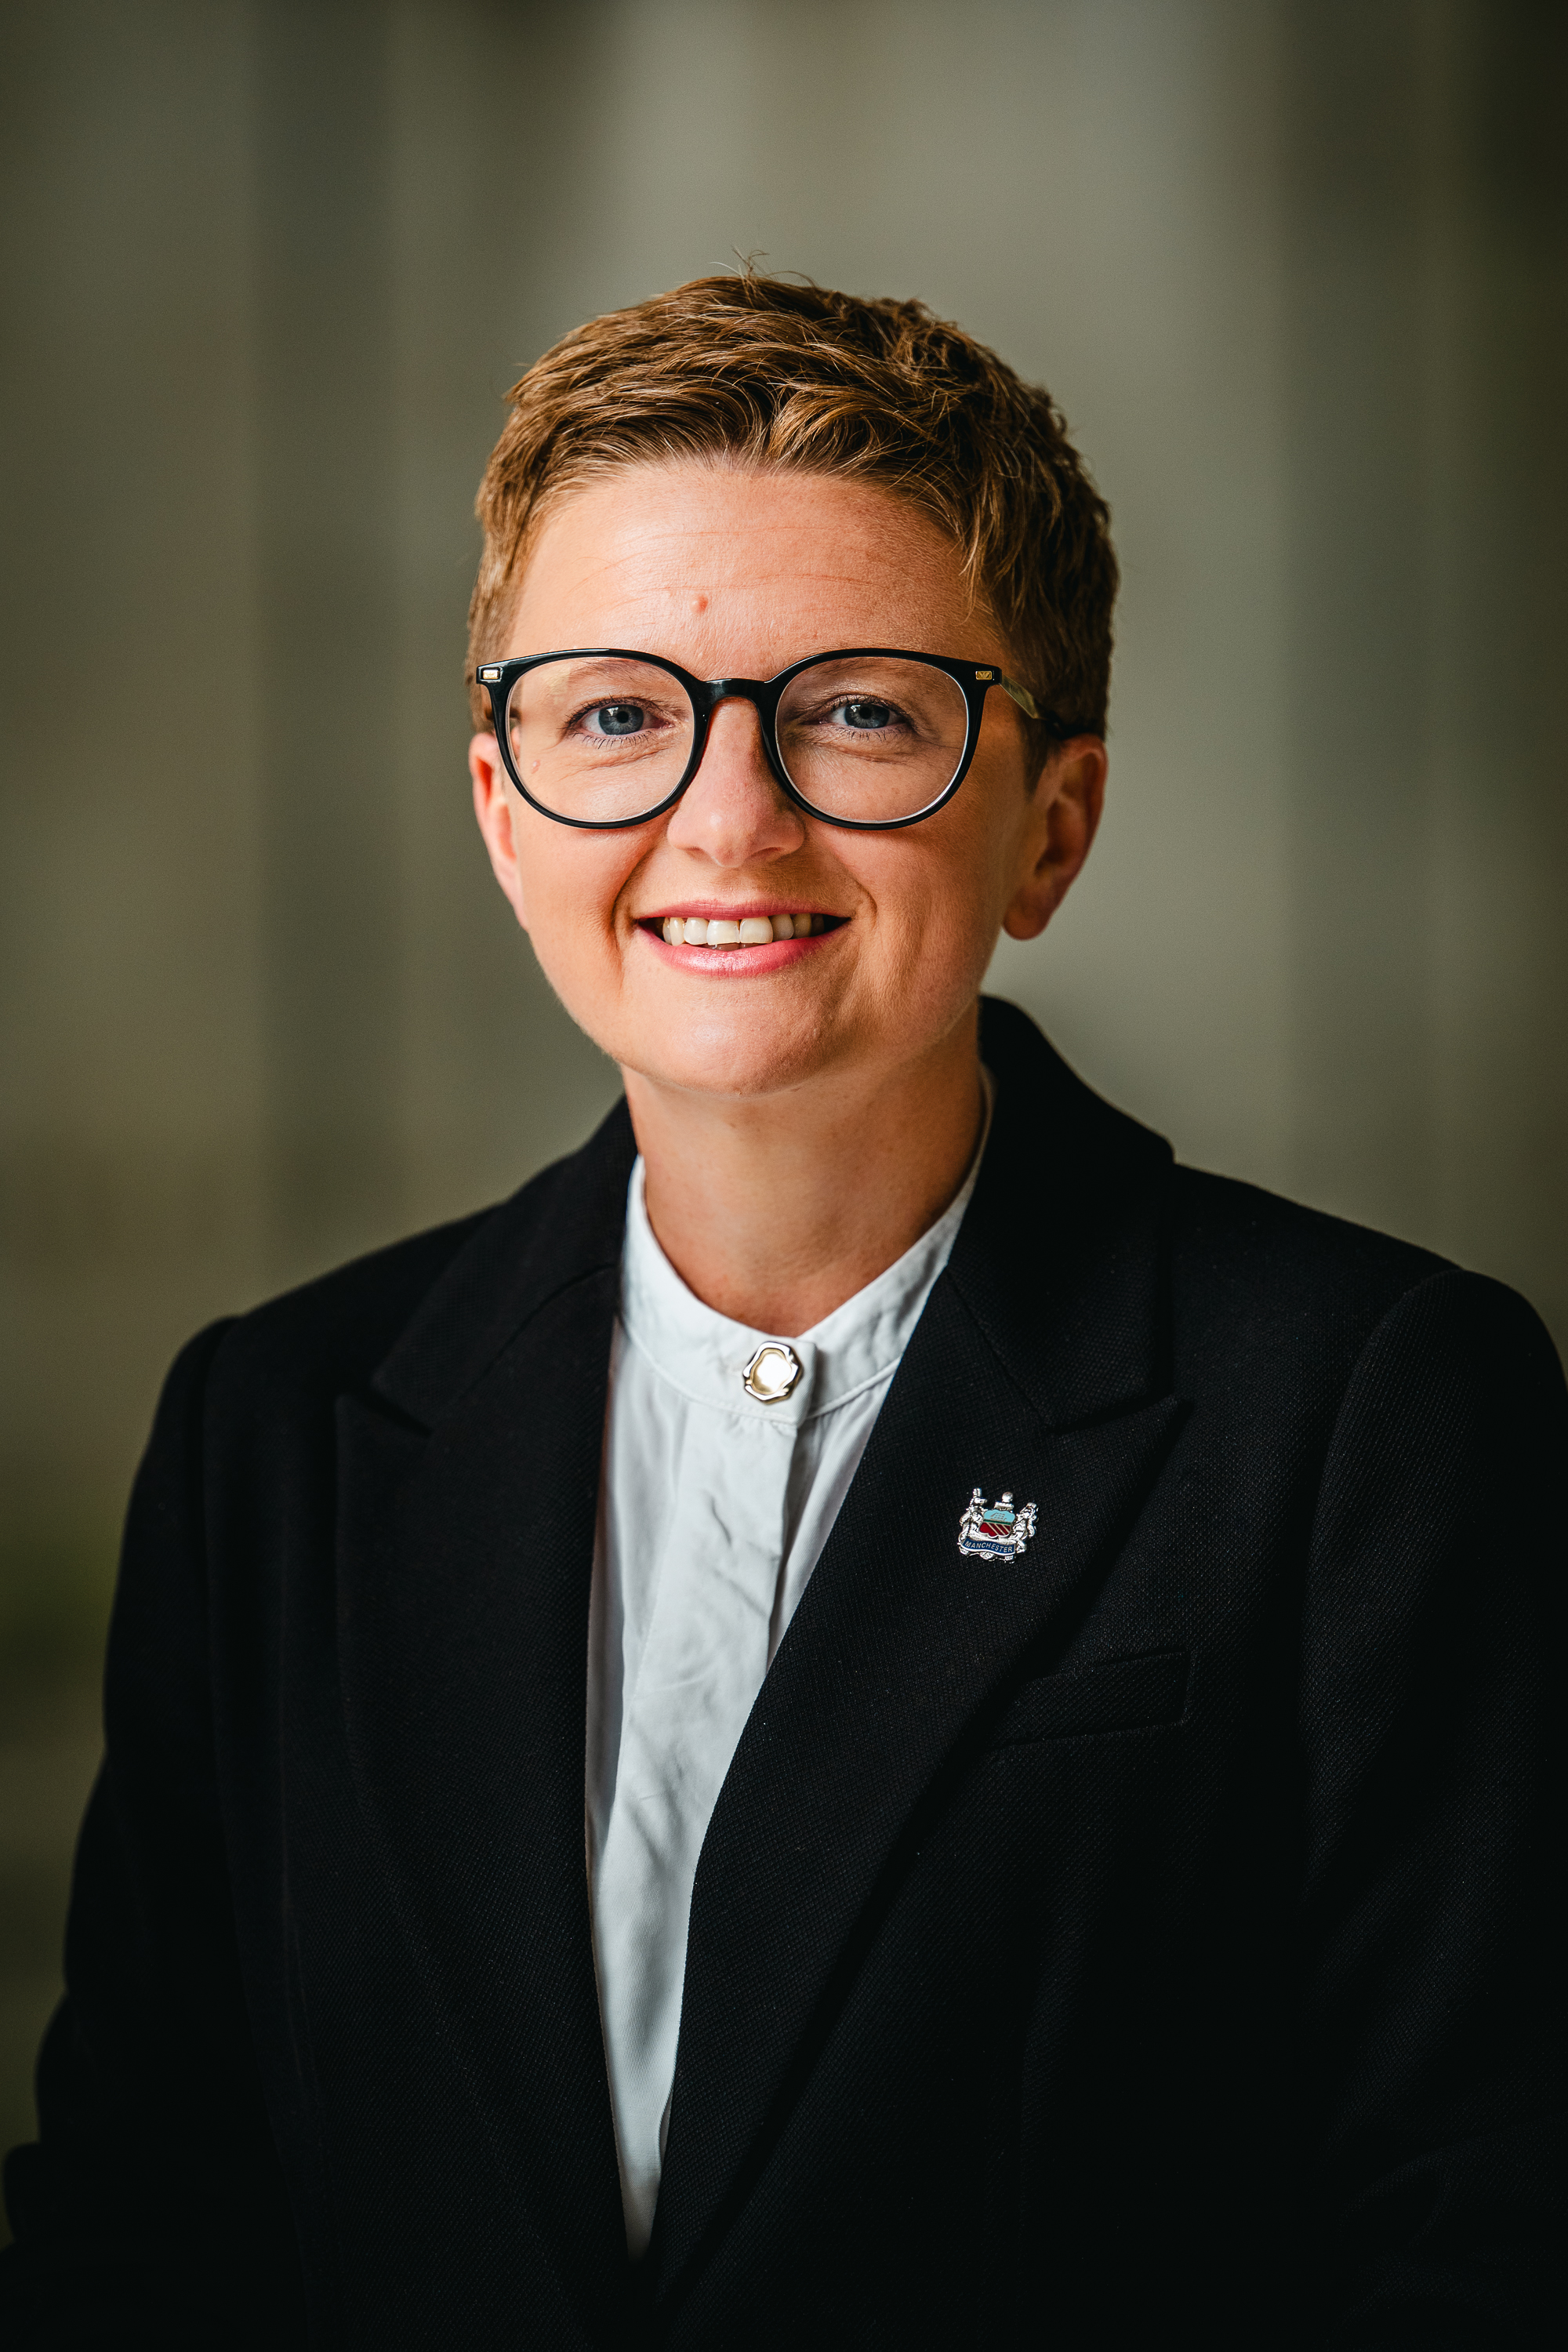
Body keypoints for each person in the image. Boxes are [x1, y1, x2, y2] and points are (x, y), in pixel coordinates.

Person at [2, 274, 1562, 2350]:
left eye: (860, 712)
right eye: (618, 715)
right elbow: (144, 2223)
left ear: (1052, 825)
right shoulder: (276, 1431)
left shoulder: (1370, 1413)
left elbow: (1477, 2237)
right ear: (501, 808)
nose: (724, 819)